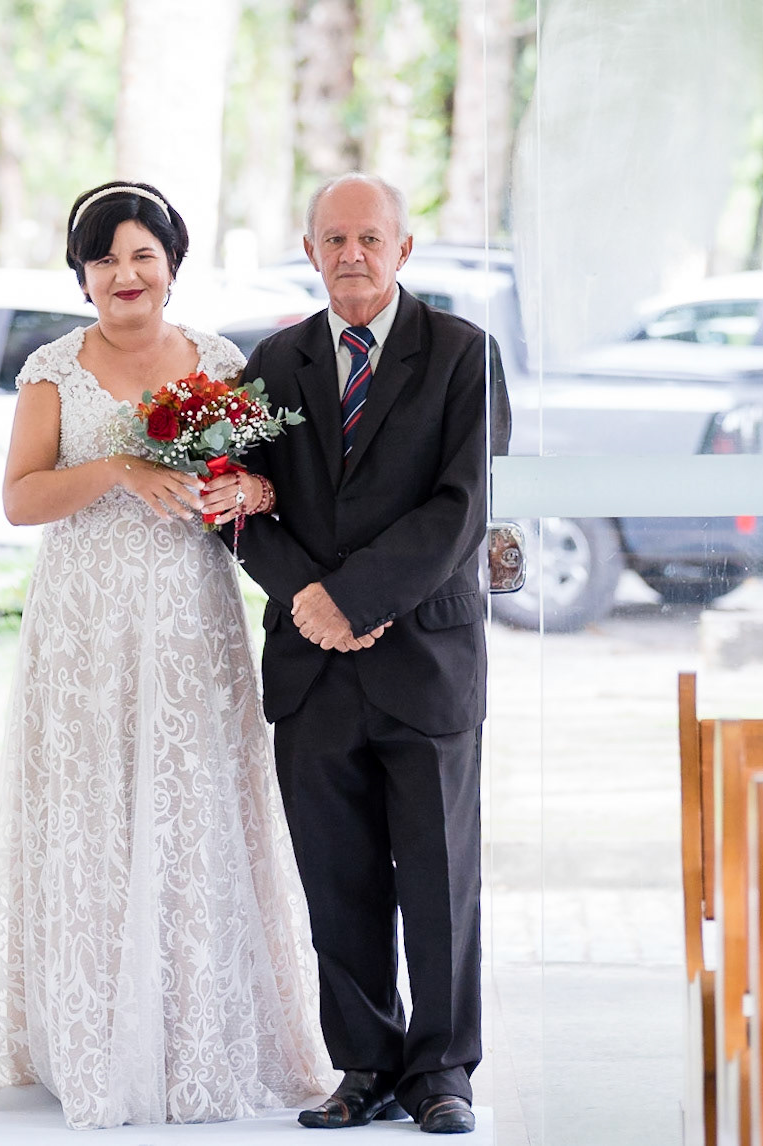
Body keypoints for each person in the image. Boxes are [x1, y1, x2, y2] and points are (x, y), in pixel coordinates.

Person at [0, 180, 331, 1129]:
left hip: (188, 615)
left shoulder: (220, 362)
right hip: (86, 625)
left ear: (172, 265)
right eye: (104, 259)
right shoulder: (54, 367)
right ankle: (95, 1038)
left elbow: (261, 484)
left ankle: (193, 1031)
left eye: (142, 255)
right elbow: (19, 499)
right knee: (95, 813)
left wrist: (246, 487)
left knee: (192, 808)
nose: (123, 274)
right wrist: (118, 471)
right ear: (82, 275)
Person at [201, 173, 511, 1134]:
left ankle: (442, 1073)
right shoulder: (273, 366)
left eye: (370, 238)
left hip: (426, 660)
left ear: (404, 249)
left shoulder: (465, 355)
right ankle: (365, 1065)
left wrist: (354, 597)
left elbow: (463, 510)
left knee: (438, 876)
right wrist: (305, 596)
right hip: (313, 666)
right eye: (333, 239)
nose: (352, 255)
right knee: (337, 881)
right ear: (310, 252)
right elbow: (229, 499)